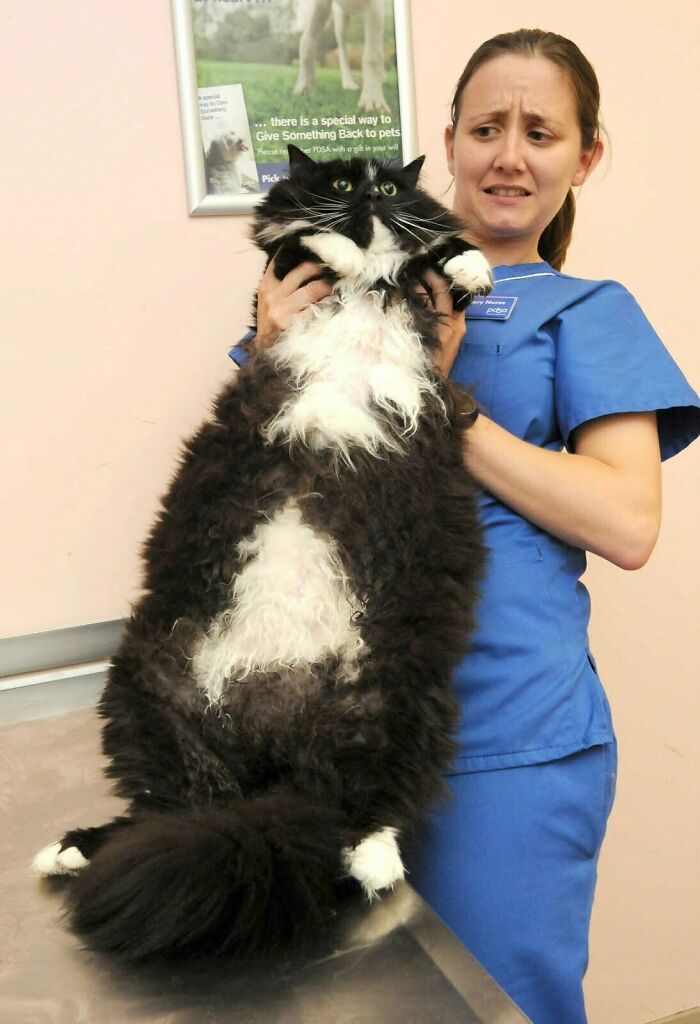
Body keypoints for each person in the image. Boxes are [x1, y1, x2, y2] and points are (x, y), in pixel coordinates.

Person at [228, 29, 700, 1024]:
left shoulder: (587, 311)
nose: (509, 154)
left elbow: (624, 520)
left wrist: (441, 398)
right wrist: (271, 351)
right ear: (447, 140)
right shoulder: (347, 284)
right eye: (487, 127)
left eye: (541, 131)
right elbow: (260, 493)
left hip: (508, 735)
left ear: (586, 155)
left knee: (502, 1005)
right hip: (330, 736)